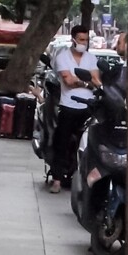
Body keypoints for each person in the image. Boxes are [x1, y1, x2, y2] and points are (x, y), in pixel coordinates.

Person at [49, 24, 101, 193]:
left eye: (86, 40)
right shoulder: (62, 57)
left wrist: (82, 81)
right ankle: (57, 179)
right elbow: (68, 81)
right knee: (61, 143)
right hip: (69, 106)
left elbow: (97, 81)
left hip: (88, 107)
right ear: (73, 40)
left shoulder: (91, 59)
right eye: (81, 40)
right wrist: (86, 82)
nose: (84, 43)